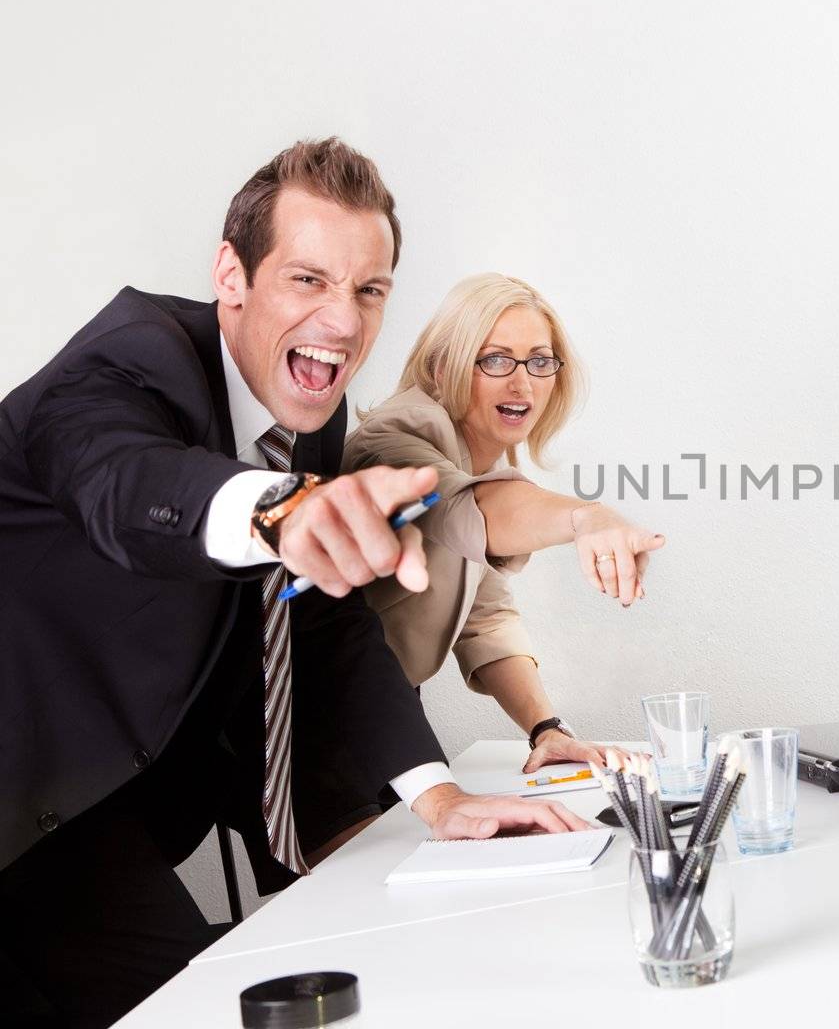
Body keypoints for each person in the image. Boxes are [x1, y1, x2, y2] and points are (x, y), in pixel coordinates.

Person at [0, 139, 588, 1026]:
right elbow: (122, 483)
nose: (344, 324)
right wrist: (282, 512)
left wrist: (439, 797)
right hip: (28, 793)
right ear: (231, 275)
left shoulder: (307, 413)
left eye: (369, 290)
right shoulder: (128, 359)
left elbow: (325, 628)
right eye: (308, 280)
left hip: (117, 809)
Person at [345, 273, 664, 771]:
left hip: (384, 708)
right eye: (495, 359)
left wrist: (546, 730)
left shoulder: (482, 460)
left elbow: (485, 618)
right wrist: (588, 517)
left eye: (539, 361)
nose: (522, 382)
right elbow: (467, 511)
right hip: (312, 714)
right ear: (441, 366)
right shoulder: (393, 437)